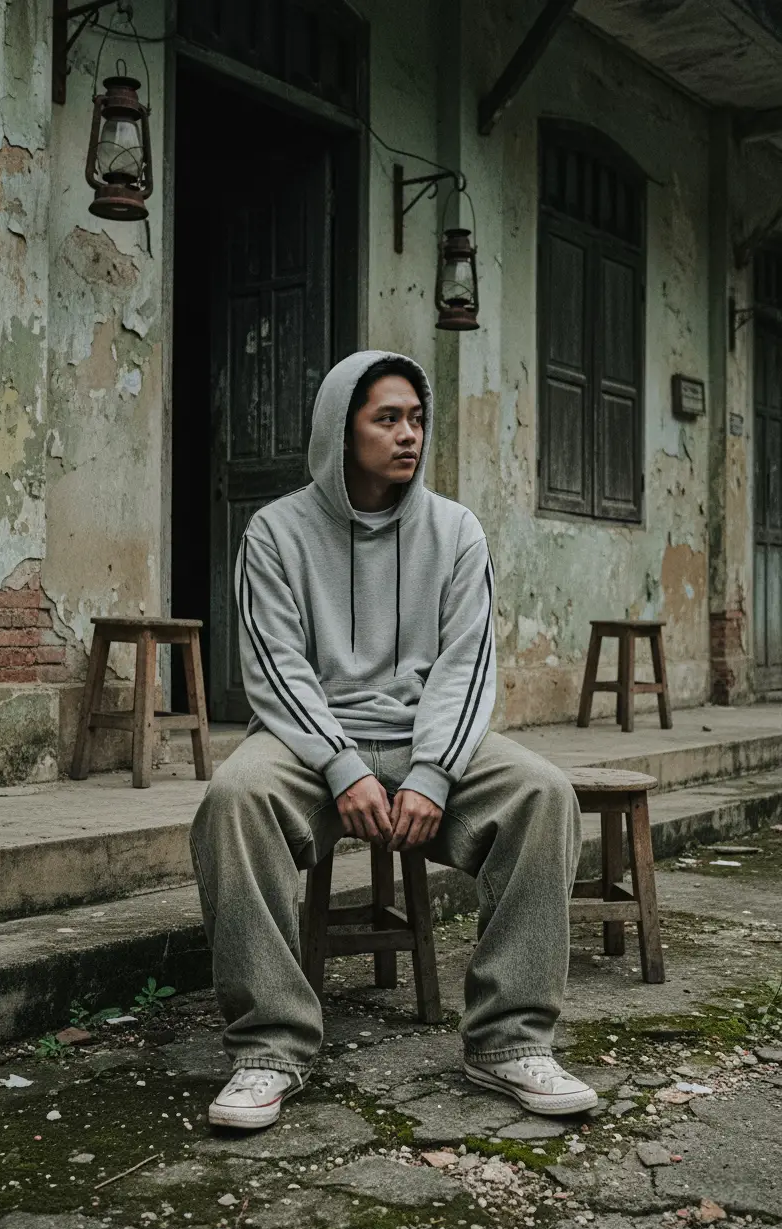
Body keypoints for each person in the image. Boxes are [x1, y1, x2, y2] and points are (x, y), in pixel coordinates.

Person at [191, 350, 597, 1131]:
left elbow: (466, 665)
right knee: (233, 799)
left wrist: (434, 772)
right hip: (310, 745)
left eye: (416, 418)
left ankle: (509, 1040)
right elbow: (276, 667)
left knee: (543, 793)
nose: (408, 434)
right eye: (387, 419)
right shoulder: (273, 532)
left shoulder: (457, 531)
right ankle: (269, 1048)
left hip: (426, 738)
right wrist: (341, 766)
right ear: (341, 430)